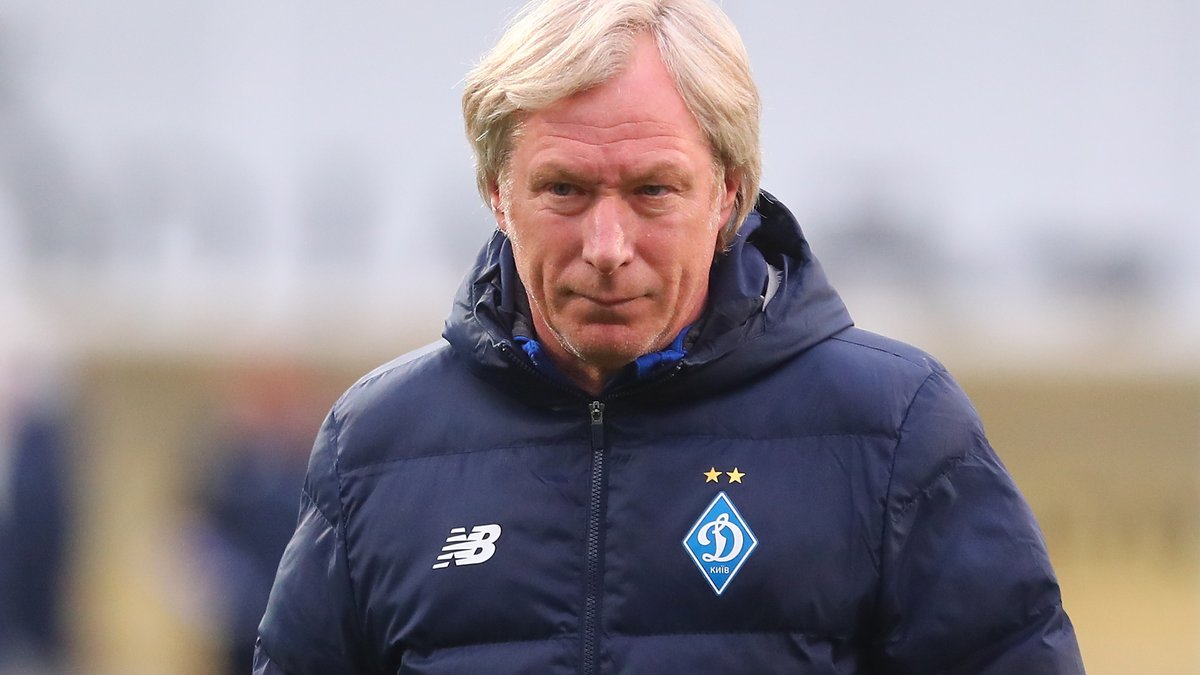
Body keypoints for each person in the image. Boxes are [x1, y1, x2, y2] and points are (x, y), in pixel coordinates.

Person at [255, 1, 1085, 673]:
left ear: (729, 193)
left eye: (653, 190)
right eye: (564, 189)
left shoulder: (894, 429)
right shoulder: (376, 447)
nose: (607, 246)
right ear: (495, 193)